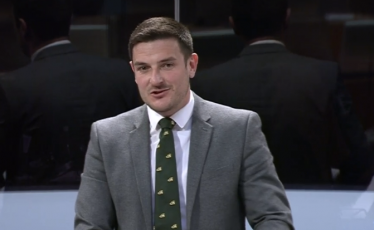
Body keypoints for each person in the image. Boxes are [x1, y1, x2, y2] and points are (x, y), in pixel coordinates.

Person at [74, 17, 294, 230]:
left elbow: (272, 217)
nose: (156, 80)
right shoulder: (107, 136)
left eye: (167, 65)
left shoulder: (238, 128)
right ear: (134, 71)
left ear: (191, 65)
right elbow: (91, 225)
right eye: (144, 68)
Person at [192, 0, 374, 186]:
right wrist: (332, 198)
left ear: (233, 24)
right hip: (312, 208)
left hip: (238, 212)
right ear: (287, 18)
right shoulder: (323, 76)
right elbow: (359, 159)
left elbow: (193, 164)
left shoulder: (206, 85)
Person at [0, 0, 140, 188]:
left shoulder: (11, 87)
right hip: (113, 209)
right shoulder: (122, 75)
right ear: (69, 22)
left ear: (23, 28)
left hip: (33, 210)